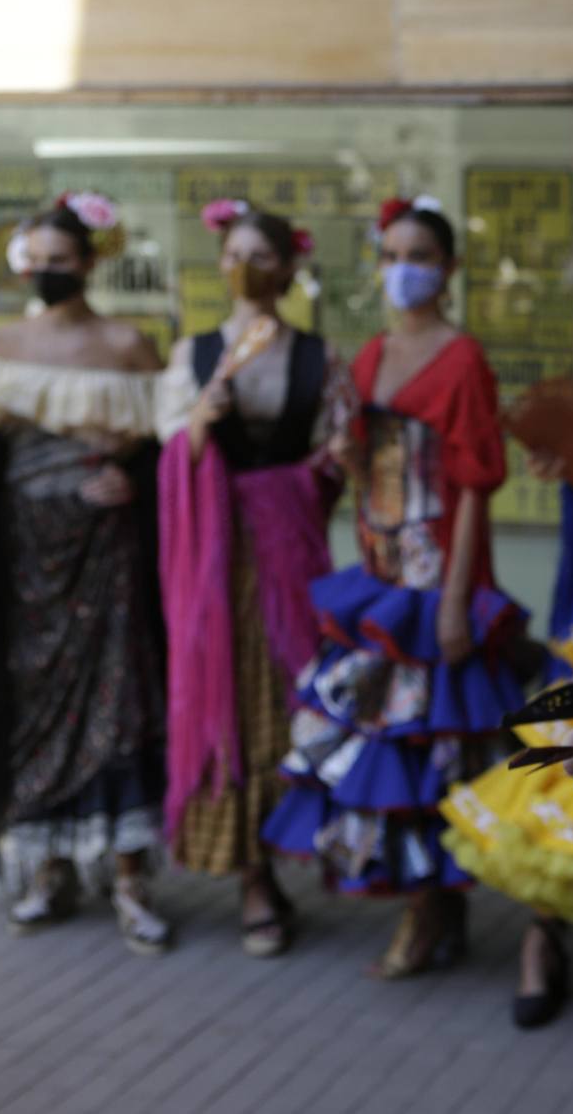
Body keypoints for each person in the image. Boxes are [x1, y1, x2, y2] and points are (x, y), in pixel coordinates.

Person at [261, 196, 525, 979]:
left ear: (447, 267)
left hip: (437, 565)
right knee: (388, 738)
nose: (401, 268)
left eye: (419, 254)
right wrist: (343, 455)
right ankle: (432, 908)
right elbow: (362, 468)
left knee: (432, 742)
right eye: (390, 253)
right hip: (377, 566)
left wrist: (454, 597)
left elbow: (478, 484)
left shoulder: (464, 357)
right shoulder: (369, 355)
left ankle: (435, 910)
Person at [0, 193, 170, 954]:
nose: (46, 273)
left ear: (89, 262)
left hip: (105, 550)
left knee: (122, 696)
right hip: (22, 551)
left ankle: (130, 874)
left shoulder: (129, 344)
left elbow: (169, 445)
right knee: (28, 693)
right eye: (34, 262)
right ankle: (45, 869)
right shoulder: (0, 339)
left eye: (60, 261)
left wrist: (136, 476)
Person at [155, 198, 350, 957]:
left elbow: (336, 452)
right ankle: (252, 878)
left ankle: (306, 847)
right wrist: (201, 422)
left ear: (289, 267)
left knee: (292, 689)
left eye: (261, 256)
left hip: (290, 543)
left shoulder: (316, 355)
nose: (244, 267)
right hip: (216, 554)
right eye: (233, 253)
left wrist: (315, 475)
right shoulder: (194, 353)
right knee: (226, 692)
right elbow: (169, 452)